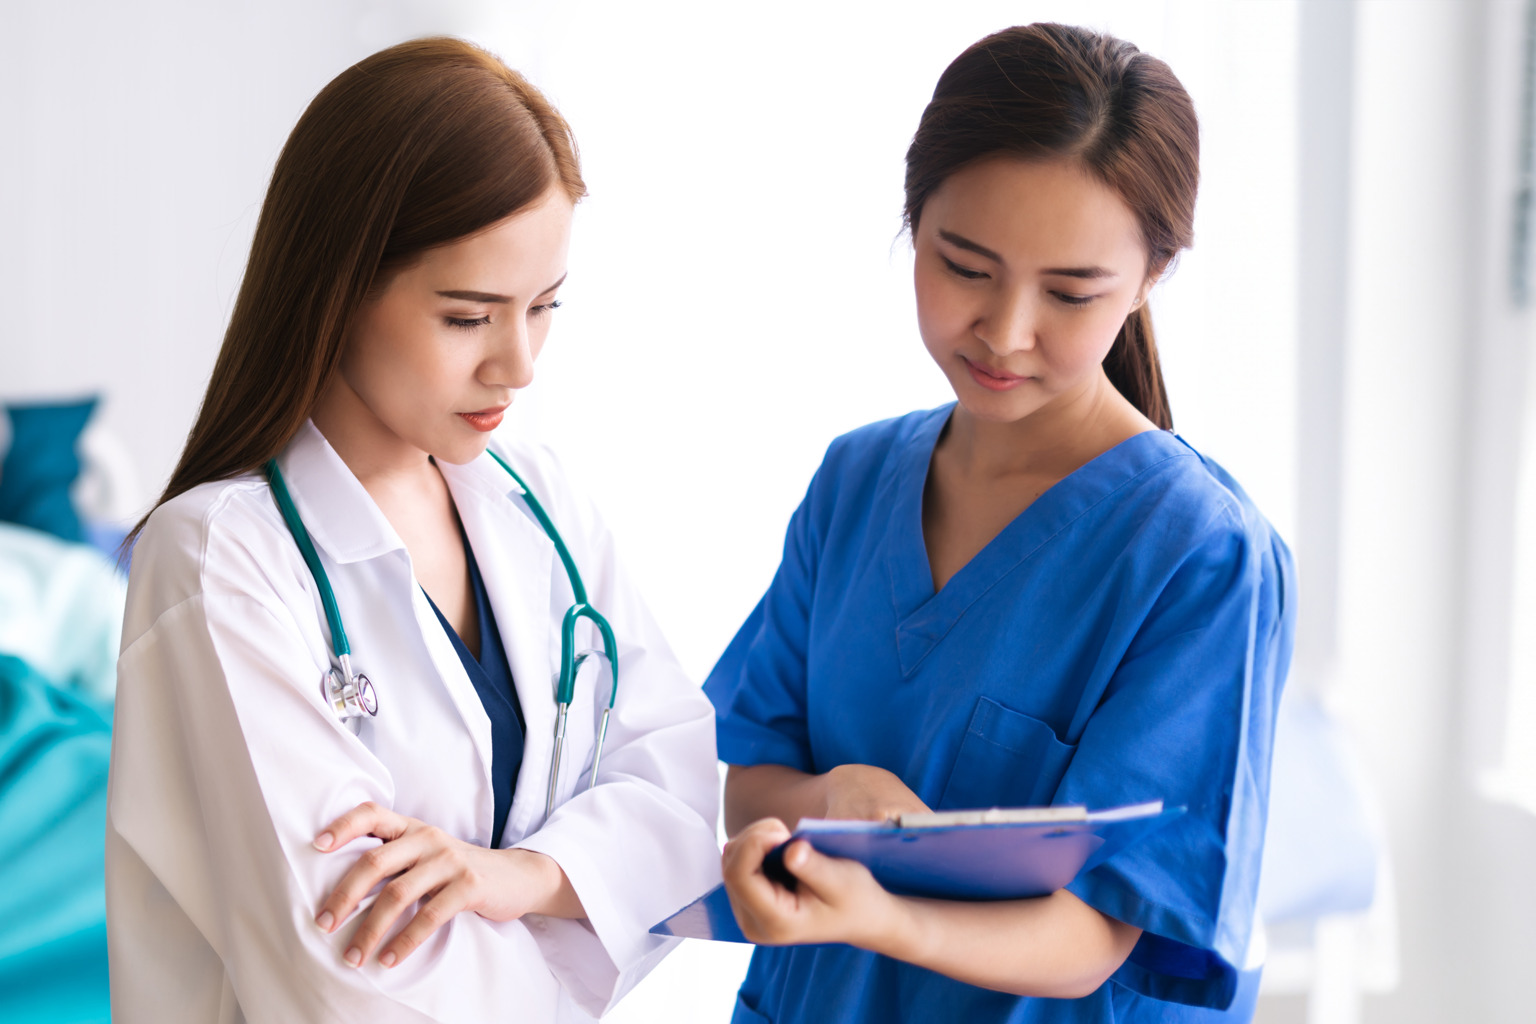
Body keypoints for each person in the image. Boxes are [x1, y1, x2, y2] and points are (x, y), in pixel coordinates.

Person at [106, 37, 720, 1022]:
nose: (517, 365)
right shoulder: (221, 559)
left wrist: (515, 877)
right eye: (468, 317)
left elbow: (687, 804)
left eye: (544, 308)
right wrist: (588, 903)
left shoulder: (543, 506)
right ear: (339, 285)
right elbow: (351, 969)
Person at [708, 23, 1292, 1024]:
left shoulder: (1198, 554)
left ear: (1149, 276)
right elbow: (752, 784)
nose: (1005, 331)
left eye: (1070, 292)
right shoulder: (856, 481)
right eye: (965, 267)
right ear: (913, 220)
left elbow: (1098, 932)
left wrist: (878, 911)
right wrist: (831, 803)